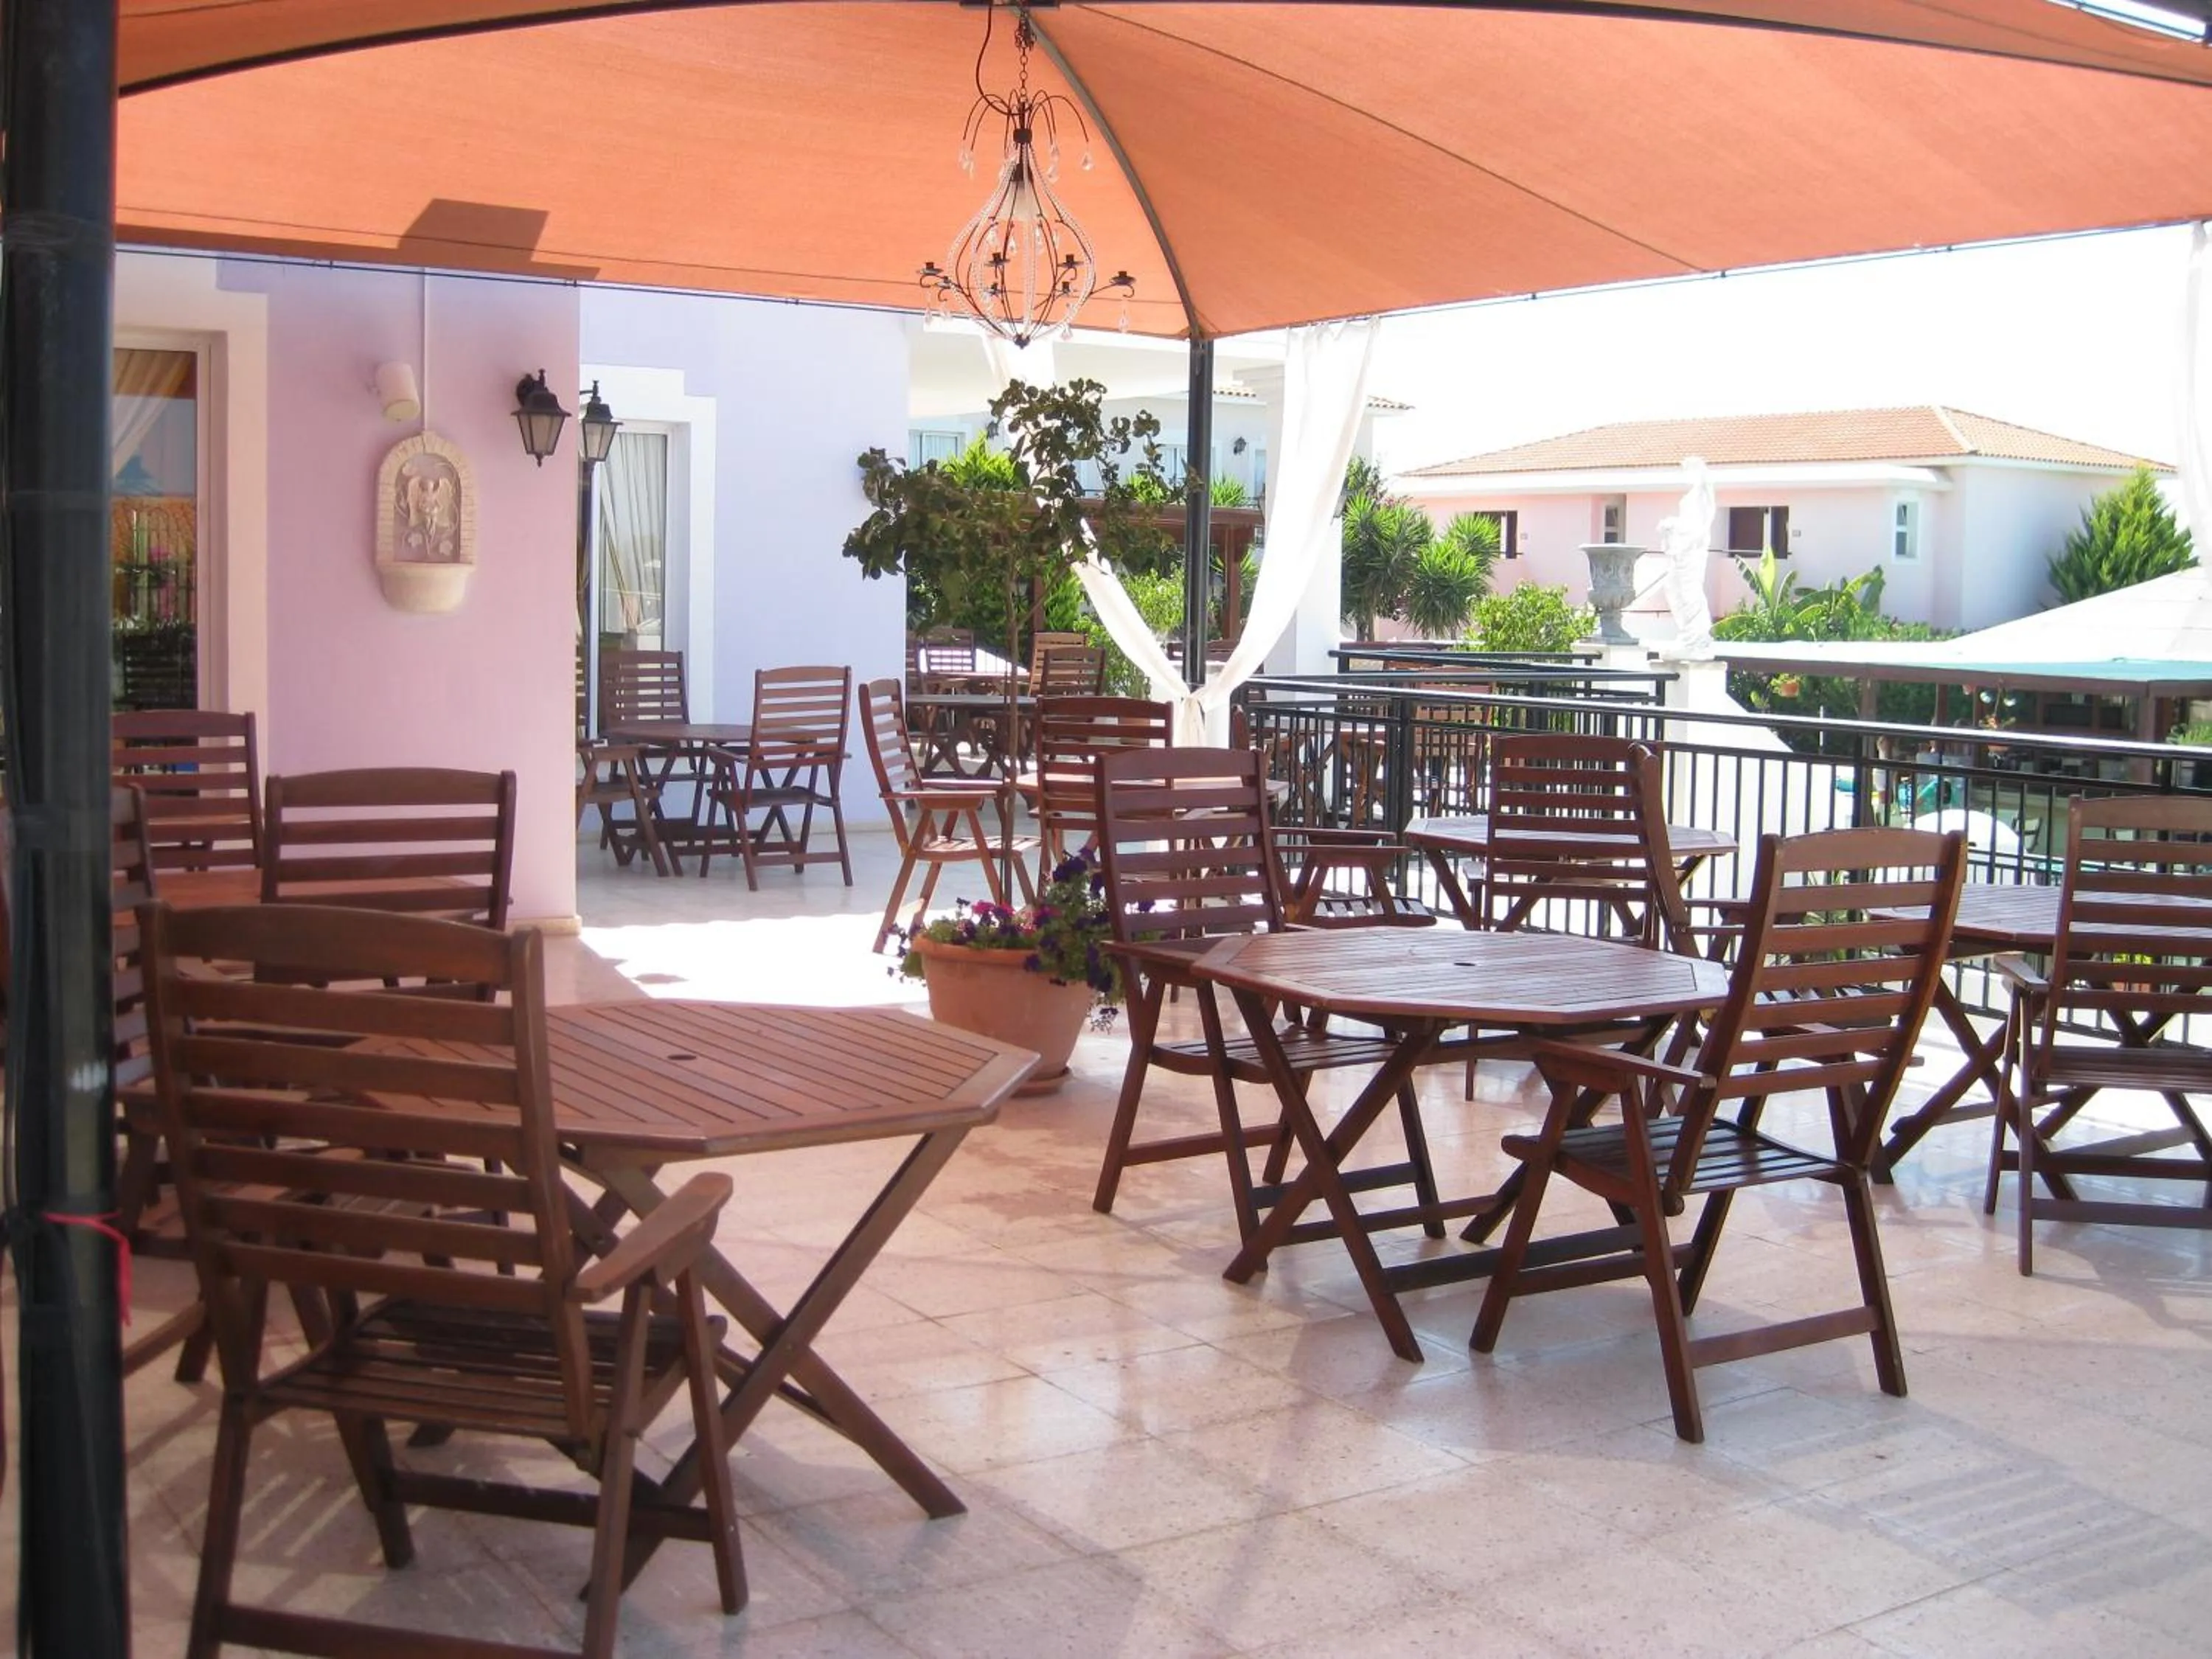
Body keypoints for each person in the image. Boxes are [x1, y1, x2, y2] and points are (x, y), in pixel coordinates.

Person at [1657, 455, 1717, 658]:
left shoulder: (1703, 494)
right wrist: (1672, 527)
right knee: (1672, 588)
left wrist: (1676, 528)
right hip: (1681, 551)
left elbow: (1699, 527)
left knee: (1689, 592)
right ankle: (1688, 634)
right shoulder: (1692, 495)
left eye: (1688, 468)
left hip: (1692, 552)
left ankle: (1696, 638)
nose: (1685, 473)